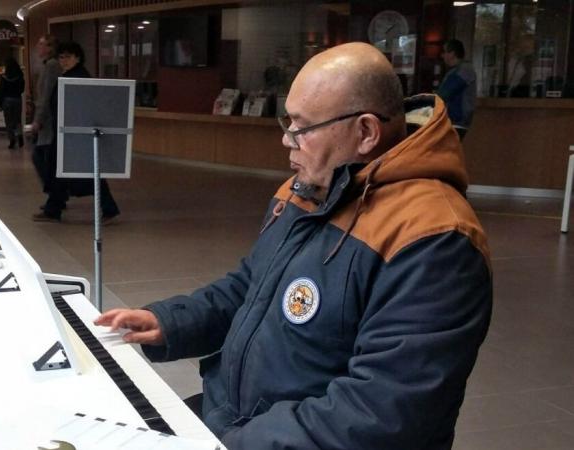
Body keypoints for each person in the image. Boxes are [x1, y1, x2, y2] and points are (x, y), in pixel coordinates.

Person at [94, 42, 492, 449]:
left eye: (301, 128)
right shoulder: (306, 188)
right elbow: (250, 286)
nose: (287, 141)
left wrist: (235, 443)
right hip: (232, 421)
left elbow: (382, 414)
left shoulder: (436, 240)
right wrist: (171, 321)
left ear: (366, 132)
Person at [32, 41, 120, 223]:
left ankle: (108, 209)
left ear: (77, 58)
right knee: (65, 172)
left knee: (85, 173)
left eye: (68, 57)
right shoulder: (70, 76)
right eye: (61, 57)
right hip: (68, 133)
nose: (64, 60)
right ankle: (54, 208)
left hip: (74, 135)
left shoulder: (77, 78)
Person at [31, 34, 62, 192]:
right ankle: (54, 192)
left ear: (50, 48)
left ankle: (53, 192)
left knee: (40, 157)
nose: (38, 47)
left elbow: (46, 94)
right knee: (42, 156)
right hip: (48, 120)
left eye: (42, 44)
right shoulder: (47, 65)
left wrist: (38, 119)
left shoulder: (51, 66)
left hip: (49, 121)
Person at [437, 39, 477, 140]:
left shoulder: (464, 70)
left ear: (452, 53)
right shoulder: (457, 70)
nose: (443, 56)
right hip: (453, 121)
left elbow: (446, 93)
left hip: (457, 121)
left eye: (445, 52)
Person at [0, 56, 25, 149]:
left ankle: (12, 140)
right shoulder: (20, 75)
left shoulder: (4, 77)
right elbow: (22, 88)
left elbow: (1, 90)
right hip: (17, 99)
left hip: (7, 100)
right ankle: (20, 135)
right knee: (17, 120)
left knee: (9, 121)